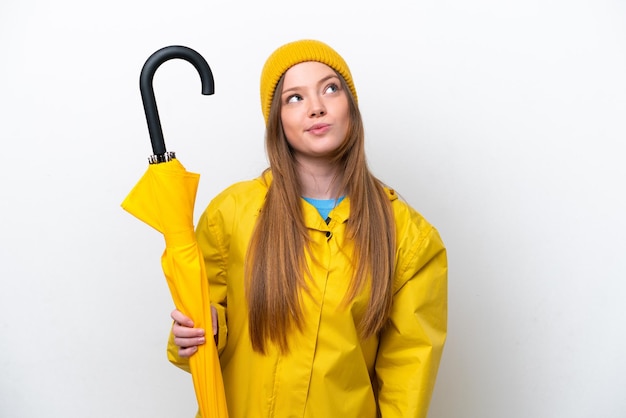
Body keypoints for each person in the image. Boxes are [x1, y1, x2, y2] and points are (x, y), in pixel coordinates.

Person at [167, 39, 447, 418]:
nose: (316, 107)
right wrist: (197, 335)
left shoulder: (407, 237)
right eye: (294, 98)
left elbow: (407, 374)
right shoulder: (231, 214)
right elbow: (205, 335)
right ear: (277, 121)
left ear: (351, 105)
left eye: (330, 88)